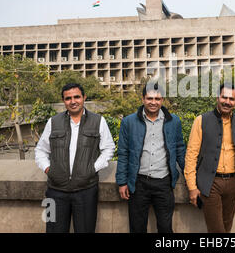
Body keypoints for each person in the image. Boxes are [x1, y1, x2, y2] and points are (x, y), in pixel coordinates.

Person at [35, 83, 115, 233]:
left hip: (86, 190)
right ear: (63, 101)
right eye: (68, 98)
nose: (73, 101)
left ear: (84, 97)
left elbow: (109, 148)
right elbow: (40, 150)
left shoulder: (98, 121)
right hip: (54, 191)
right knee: (52, 230)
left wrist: (92, 169)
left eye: (77, 97)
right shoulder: (53, 122)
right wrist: (48, 169)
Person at [184, 83, 235, 233]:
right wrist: (192, 187)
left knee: (226, 226)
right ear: (218, 97)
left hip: (234, 182)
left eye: (232, 99)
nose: (227, 102)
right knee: (217, 230)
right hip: (210, 183)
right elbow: (191, 155)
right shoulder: (201, 121)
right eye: (224, 97)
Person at [115, 83, 185, 233]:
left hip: (164, 182)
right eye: (149, 98)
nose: (153, 102)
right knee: (137, 227)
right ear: (143, 99)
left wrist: (192, 177)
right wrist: (122, 182)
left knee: (166, 228)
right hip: (139, 183)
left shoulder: (174, 121)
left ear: (162, 100)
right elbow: (123, 153)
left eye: (157, 98)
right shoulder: (129, 122)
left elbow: (180, 149)